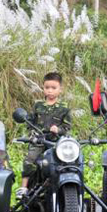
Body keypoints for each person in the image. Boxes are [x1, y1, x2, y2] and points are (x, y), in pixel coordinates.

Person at [17, 71, 72, 199]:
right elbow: (29, 122)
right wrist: (32, 134)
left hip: (55, 143)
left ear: (60, 89)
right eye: (47, 88)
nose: (50, 91)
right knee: (29, 160)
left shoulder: (64, 108)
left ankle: (65, 190)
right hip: (39, 141)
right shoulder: (38, 105)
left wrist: (58, 130)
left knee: (65, 163)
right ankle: (24, 187)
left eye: (54, 88)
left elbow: (67, 127)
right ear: (43, 88)